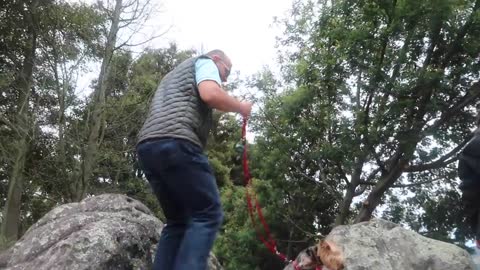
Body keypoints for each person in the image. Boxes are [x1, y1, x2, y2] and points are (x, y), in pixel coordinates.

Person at [136, 49, 252, 270]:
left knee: (177, 222)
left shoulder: (171, 77)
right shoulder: (205, 62)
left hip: (148, 146)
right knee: (207, 213)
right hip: (178, 142)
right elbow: (210, 94)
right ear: (216, 59)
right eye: (226, 71)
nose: (225, 78)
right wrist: (241, 107)